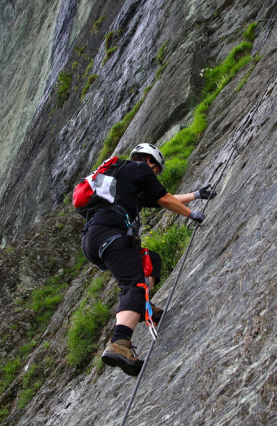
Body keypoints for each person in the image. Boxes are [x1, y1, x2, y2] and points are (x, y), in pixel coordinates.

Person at [80, 143, 217, 376]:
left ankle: (146, 309)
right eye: (156, 171)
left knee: (150, 260)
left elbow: (163, 198)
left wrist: (196, 195)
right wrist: (192, 214)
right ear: (149, 161)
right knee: (134, 283)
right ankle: (119, 343)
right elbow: (164, 199)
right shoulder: (139, 169)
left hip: (93, 238)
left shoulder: (123, 181)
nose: (154, 175)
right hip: (110, 233)